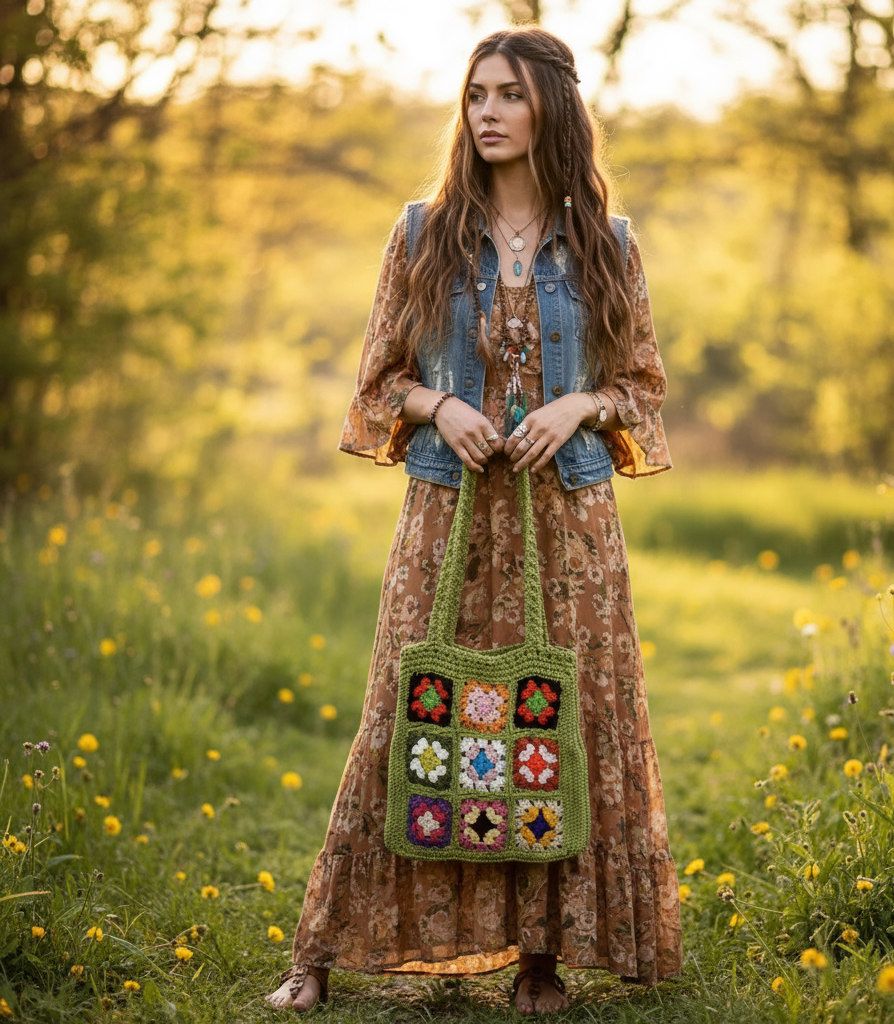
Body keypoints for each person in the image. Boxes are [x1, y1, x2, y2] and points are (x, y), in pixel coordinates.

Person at [265, 25, 681, 1016]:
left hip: (568, 522)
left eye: (507, 95)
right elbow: (379, 380)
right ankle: (319, 950)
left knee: (556, 722)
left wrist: (580, 404)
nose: (486, 113)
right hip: (447, 518)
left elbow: (642, 387)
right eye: (475, 95)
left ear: (551, 110)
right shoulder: (421, 232)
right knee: (408, 712)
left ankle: (541, 953)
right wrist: (440, 406)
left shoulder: (605, 244)